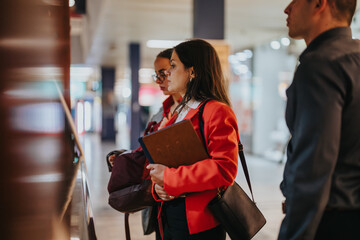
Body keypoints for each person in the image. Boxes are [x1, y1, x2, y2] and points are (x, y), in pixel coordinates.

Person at [279, 0, 360, 239]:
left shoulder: (320, 65)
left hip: (331, 222)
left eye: (294, 1)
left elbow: (313, 165)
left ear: (319, 3)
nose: (287, 8)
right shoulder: (354, 58)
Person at [146, 39, 239, 240]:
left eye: (173, 66)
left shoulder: (216, 111)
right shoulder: (180, 110)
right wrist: (159, 186)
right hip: (169, 214)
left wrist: (170, 179)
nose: (167, 72)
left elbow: (225, 169)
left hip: (199, 220)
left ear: (192, 72)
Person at [108, 48, 181, 240]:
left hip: (184, 204)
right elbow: (151, 149)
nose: (159, 80)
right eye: (156, 75)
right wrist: (127, 158)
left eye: (164, 73)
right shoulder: (160, 113)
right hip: (158, 202)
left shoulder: (196, 112)